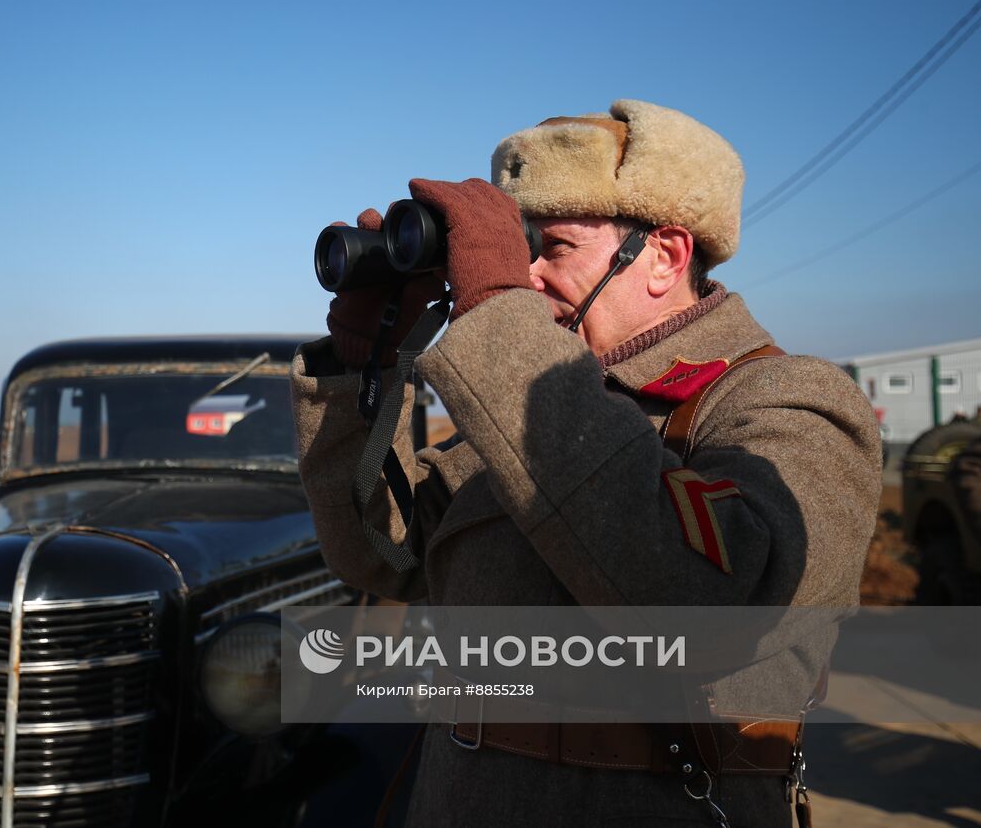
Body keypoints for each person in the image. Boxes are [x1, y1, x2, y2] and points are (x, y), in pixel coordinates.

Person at [290, 100, 882, 826]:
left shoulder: (783, 400)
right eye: (516, 249)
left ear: (665, 257)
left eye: (554, 246)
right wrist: (365, 363)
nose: (528, 276)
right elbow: (379, 557)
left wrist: (496, 315)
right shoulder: (528, 410)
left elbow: (716, 609)